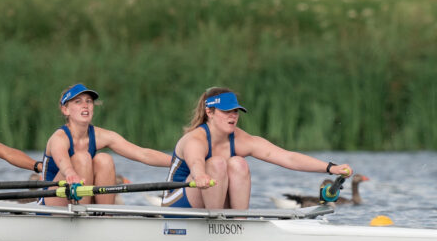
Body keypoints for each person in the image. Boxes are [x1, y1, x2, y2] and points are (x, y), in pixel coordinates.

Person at [161, 87, 353, 209]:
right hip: (178, 203)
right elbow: (196, 163)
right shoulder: (195, 139)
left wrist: (331, 168)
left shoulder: (242, 139)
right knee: (218, 163)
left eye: (236, 111)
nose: (233, 116)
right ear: (209, 112)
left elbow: (288, 158)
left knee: (239, 164)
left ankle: (238, 224)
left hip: (211, 199)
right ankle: (217, 223)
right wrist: (200, 175)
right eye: (226, 111)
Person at [42, 83, 171, 206]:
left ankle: (104, 215)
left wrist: (180, 163)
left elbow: (143, 154)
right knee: (82, 157)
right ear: (65, 110)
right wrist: (70, 173)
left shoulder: (101, 135)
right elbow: (62, 161)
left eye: (89, 101)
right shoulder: (59, 138)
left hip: (78, 195)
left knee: (105, 159)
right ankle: (84, 215)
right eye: (78, 101)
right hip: (52, 200)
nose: (85, 105)